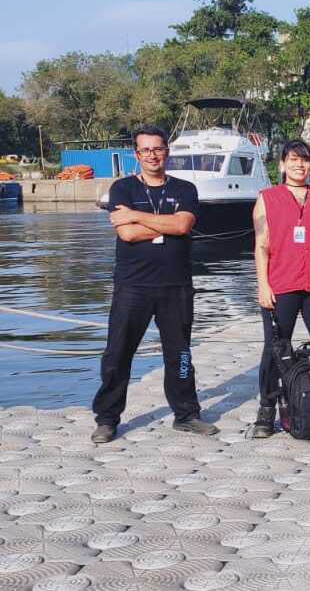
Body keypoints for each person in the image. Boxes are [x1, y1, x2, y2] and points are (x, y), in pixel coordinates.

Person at [91, 125, 218, 443]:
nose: (152, 155)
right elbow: (127, 234)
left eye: (158, 148)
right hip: (133, 286)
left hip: (176, 286)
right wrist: (168, 225)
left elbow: (183, 225)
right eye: (145, 150)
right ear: (136, 155)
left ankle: (186, 415)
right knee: (117, 353)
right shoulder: (122, 188)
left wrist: (137, 216)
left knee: (181, 355)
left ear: (167, 152)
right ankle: (107, 419)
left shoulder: (185, 189)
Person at [250, 140, 310, 438]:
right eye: (294, 159)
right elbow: (261, 245)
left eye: (305, 160)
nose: (300, 165)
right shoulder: (267, 198)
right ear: (283, 164)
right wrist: (263, 285)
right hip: (281, 284)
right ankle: (266, 410)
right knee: (275, 348)